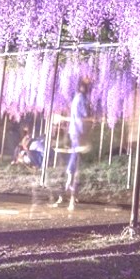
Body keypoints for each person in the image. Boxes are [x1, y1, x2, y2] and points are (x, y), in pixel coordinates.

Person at [52, 75, 91, 210]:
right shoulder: (81, 98)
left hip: (74, 130)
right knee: (75, 158)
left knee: (75, 155)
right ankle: (70, 190)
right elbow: (84, 114)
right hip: (78, 130)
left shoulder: (76, 98)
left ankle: (68, 191)